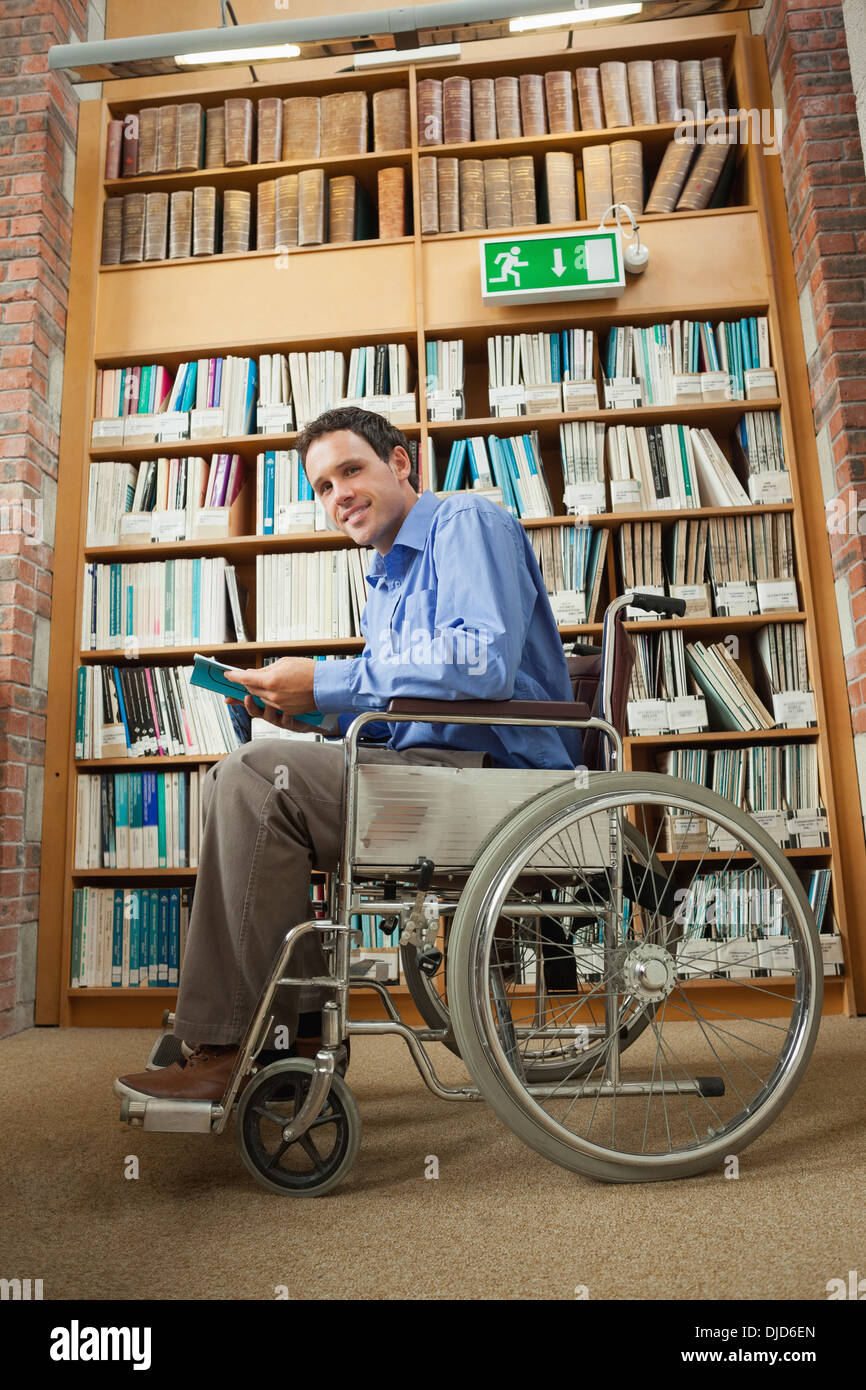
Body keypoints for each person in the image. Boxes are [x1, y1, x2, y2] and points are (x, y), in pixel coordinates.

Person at [115, 407, 579, 1103]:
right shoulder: (387, 583)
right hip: (432, 772)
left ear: (400, 463)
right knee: (253, 766)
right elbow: (409, 715)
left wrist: (329, 680)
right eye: (324, 486)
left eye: (351, 470)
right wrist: (313, 715)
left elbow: (481, 663)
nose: (339, 496)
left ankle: (237, 1041)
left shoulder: (465, 522)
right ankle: (287, 1032)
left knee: (252, 779)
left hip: (500, 782)